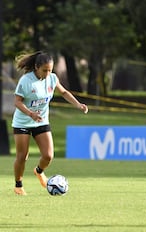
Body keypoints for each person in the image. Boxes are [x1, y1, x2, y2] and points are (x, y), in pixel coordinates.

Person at [12, 51, 88, 195]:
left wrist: (78, 104)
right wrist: (30, 114)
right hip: (23, 122)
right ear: (36, 67)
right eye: (44, 70)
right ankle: (18, 185)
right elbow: (17, 102)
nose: (48, 73)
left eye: (50, 70)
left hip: (41, 121)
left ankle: (39, 171)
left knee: (48, 156)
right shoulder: (26, 80)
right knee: (22, 156)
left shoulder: (52, 78)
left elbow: (64, 92)